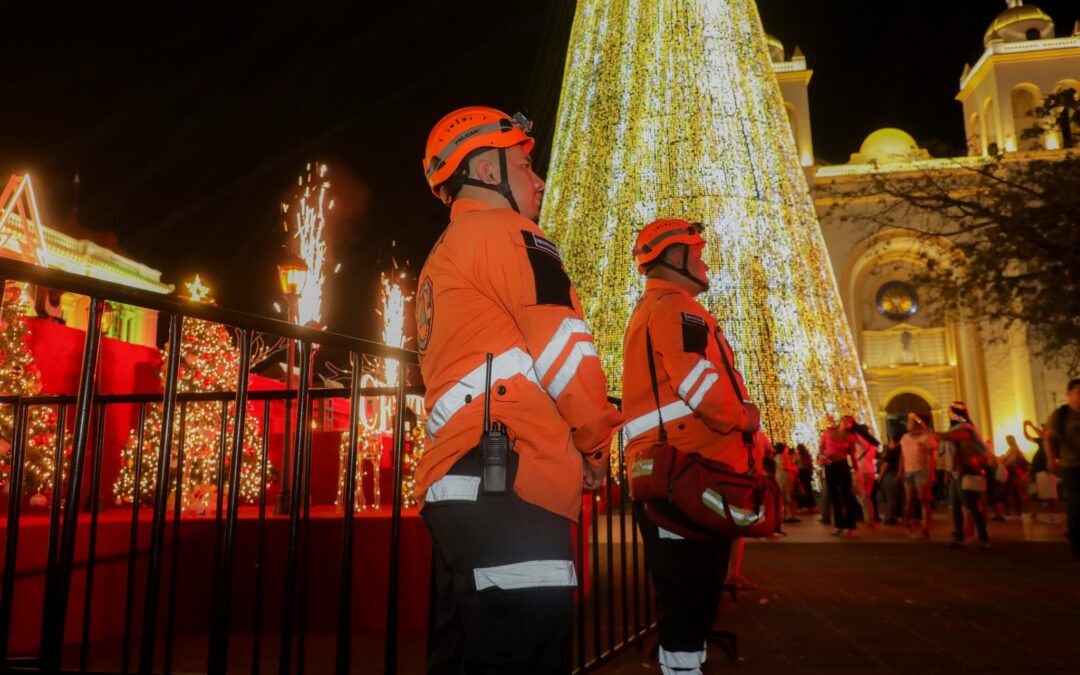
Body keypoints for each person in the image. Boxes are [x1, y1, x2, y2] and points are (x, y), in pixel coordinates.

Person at [415, 106, 623, 673]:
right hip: (510, 482)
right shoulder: (513, 234)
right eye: (526, 164)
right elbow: (566, 353)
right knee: (526, 655)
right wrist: (596, 447)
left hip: (462, 479)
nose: (539, 180)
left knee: (466, 655)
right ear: (487, 171)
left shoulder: (444, 254)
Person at [621, 217, 761, 675]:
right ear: (675, 257)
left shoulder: (659, 308)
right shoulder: (673, 308)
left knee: (689, 601)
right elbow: (698, 380)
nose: (704, 262)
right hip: (686, 477)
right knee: (687, 600)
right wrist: (744, 417)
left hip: (677, 474)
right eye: (696, 253)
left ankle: (685, 665)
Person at [933, 401, 990, 549]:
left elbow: (948, 437)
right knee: (955, 506)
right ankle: (959, 535)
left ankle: (983, 539)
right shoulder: (957, 429)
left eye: (950, 412)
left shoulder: (966, 429)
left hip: (967, 470)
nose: (949, 415)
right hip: (956, 472)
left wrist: (930, 432)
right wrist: (947, 473)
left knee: (971, 506)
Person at [1044, 378, 1080, 561]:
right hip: (1071, 465)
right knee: (1077, 501)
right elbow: (1048, 437)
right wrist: (1051, 459)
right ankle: (1075, 538)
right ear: (1069, 394)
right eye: (1078, 392)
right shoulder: (1062, 414)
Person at [818, 415, 861, 536]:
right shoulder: (829, 432)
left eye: (851, 422)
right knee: (835, 496)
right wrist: (823, 458)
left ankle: (850, 525)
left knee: (847, 496)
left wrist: (856, 471)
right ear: (841, 421)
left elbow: (852, 455)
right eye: (846, 420)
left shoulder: (850, 437)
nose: (848, 423)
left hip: (842, 465)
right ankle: (838, 525)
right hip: (830, 465)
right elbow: (821, 447)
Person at [898, 413, 937, 540]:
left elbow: (932, 457)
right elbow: (903, 455)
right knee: (909, 500)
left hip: (922, 471)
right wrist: (900, 470)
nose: (908, 424)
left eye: (910, 422)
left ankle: (926, 528)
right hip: (909, 471)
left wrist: (932, 473)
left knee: (923, 499)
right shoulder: (904, 438)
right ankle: (907, 523)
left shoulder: (926, 437)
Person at [1027, 420, 1061, 523]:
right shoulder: (1044, 441)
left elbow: (1043, 435)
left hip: (1046, 470)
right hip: (1041, 470)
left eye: (1045, 429)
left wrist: (1032, 426)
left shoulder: (1052, 439)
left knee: (1051, 495)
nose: (1043, 430)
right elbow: (1032, 437)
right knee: (1047, 494)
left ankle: (1055, 517)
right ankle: (1053, 516)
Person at [999, 434, 1031, 519]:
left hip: (1011, 472)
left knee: (1006, 492)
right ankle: (1018, 513)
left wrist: (1002, 460)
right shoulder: (1015, 450)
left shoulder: (1013, 450)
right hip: (1014, 472)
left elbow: (1009, 461)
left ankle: (1008, 513)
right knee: (1016, 493)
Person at [877, 436, 902, 525]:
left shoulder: (891, 453)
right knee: (893, 497)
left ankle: (890, 517)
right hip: (897, 475)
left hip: (889, 475)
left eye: (890, 442)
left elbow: (885, 465)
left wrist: (880, 477)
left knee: (889, 497)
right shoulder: (901, 452)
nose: (889, 444)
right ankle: (892, 516)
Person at [796, 443, 817, 512]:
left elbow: (795, 463)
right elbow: (810, 463)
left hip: (801, 472)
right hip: (807, 472)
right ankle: (810, 504)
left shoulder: (798, 456)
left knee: (801, 489)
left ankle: (802, 504)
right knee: (808, 488)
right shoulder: (807, 455)